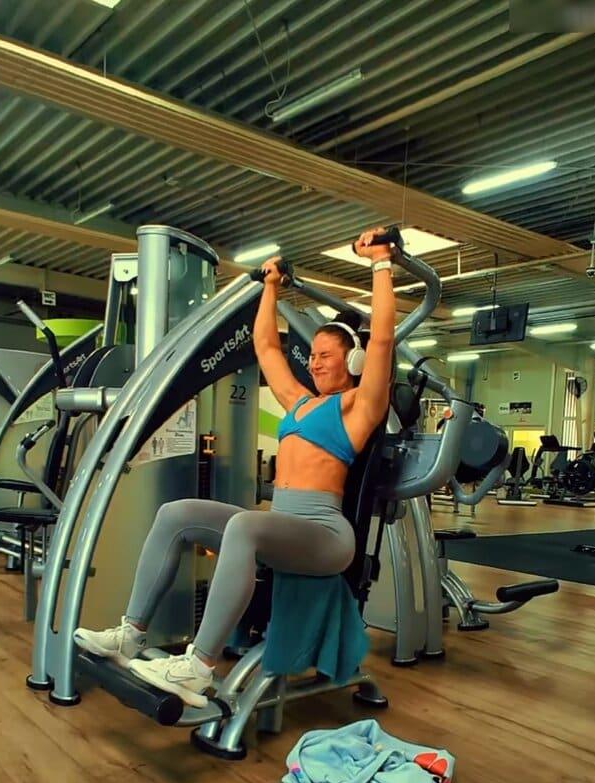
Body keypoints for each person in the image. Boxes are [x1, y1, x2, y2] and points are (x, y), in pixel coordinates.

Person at [74, 227, 396, 706]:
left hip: (325, 536)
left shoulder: (359, 407)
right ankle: (131, 633)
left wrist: (381, 262)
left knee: (245, 525)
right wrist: (270, 289)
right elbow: (265, 346)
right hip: (283, 526)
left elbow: (384, 340)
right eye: (312, 355)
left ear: (353, 360)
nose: (314, 363)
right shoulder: (299, 402)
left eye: (326, 356)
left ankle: (198, 667)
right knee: (176, 513)